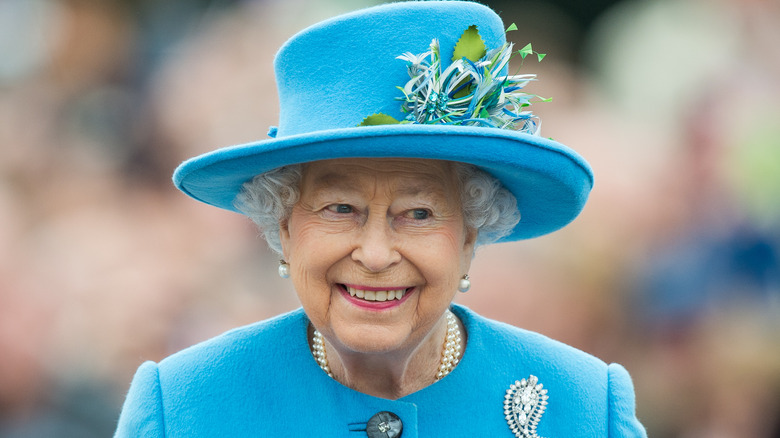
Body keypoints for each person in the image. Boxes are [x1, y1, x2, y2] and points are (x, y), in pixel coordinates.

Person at [115, 2, 646, 436]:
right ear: (283, 227)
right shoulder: (185, 406)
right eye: (339, 209)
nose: (374, 254)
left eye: (416, 213)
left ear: (468, 234)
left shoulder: (581, 406)